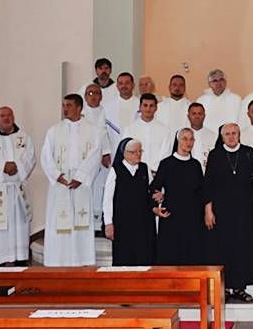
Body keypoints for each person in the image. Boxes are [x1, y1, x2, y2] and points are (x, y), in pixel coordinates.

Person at [40, 94, 101, 266]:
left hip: (81, 183)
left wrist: (81, 177)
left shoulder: (92, 130)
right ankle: (57, 259)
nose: (65, 108)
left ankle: (81, 258)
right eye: (63, 105)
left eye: (69, 105)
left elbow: (95, 155)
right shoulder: (54, 130)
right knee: (59, 220)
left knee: (80, 221)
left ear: (79, 107)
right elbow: (46, 156)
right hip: (60, 183)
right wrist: (57, 175)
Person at [204, 123, 253, 303]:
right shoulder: (215, 155)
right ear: (222, 137)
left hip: (245, 209)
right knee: (223, 248)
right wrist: (208, 210)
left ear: (239, 134)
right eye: (227, 134)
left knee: (243, 248)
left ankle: (240, 287)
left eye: (234, 133)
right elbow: (208, 184)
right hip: (222, 210)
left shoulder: (248, 152)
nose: (231, 137)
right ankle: (225, 288)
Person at [0, 106, 36, 267]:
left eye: (9, 115)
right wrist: (3, 167)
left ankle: (20, 258)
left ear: (13, 117)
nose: (6, 118)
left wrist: (16, 168)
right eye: (2, 116)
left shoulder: (24, 138)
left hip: (17, 189)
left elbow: (30, 158)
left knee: (19, 226)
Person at [152, 128, 205, 265]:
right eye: (185, 139)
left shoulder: (196, 165)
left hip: (192, 218)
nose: (188, 142)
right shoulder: (166, 164)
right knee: (171, 256)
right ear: (178, 141)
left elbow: (201, 191)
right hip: (171, 217)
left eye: (191, 139)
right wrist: (156, 204)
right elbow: (153, 188)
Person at [103, 138, 155, 266]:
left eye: (140, 151)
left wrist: (158, 197)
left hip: (143, 223)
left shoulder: (144, 168)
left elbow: (151, 191)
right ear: (124, 153)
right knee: (124, 257)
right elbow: (108, 199)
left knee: (143, 257)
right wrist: (108, 223)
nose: (138, 154)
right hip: (122, 224)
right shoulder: (116, 170)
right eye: (134, 152)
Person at [82, 83, 116, 229]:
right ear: (85, 96)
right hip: (84, 158)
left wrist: (106, 152)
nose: (93, 96)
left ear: (101, 96)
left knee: (101, 188)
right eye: (90, 93)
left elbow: (104, 133)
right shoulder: (80, 114)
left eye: (96, 93)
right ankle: (84, 221)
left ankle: (98, 223)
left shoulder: (106, 112)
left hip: (103, 157)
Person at [122, 93, 173, 174]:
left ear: (156, 108)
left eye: (151, 106)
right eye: (145, 105)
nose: (148, 109)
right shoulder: (130, 129)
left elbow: (166, 154)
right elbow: (126, 152)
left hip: (156, 173)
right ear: (140, 107)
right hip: (135, 172)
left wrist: (153, 170)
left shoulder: (164, 130)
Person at [184, 102, 217, 172]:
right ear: (188, 116)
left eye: (200, 114)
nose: (197, 116)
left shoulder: (213, 136)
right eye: (194, 114)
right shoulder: (181, 135)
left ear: (204, 116)